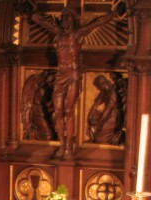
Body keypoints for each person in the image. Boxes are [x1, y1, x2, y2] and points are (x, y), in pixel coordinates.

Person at [29, 1, 124, 159]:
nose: (66, 20)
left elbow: (97, 22)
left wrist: (115, 13)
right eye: (64, 17)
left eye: (68, 17)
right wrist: (29, 13)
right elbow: (43, 22)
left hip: (73, 75)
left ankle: (68, 149)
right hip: (61, 76)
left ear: (74, 20)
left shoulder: (77, 34)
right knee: (58, 112)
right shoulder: (58, 33)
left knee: (68, 111)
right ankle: (62, 144)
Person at [86, 74, 124, 145]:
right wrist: (91, 116)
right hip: (108, 114)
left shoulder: (113, 92)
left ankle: (107, 140)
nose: (98, 89)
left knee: (100, 137)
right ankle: (94, 138)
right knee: (94, 117)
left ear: (103, 84)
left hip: (114, 116)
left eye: (98, 87)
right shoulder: (105, 90)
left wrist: (99, 123)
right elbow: (96, 104)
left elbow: (108, 111)